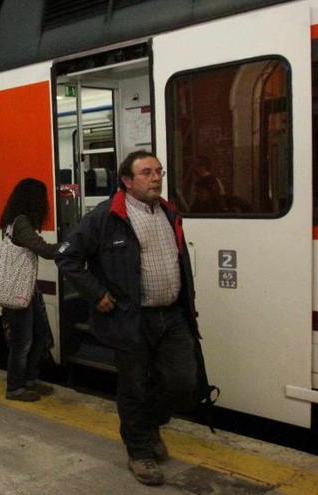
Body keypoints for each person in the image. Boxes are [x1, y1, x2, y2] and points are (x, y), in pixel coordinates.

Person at [55, 150, 199, 486]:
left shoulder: (168, 212)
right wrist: (97, 293)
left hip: (172, 315)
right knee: (133, 386)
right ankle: (139, 453)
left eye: (159, 171)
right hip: (131, 319)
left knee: (184, 382)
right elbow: (67, 256)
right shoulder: (106, 217)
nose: (156, 178)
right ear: (127, 181)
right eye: (147, 172)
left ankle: (148, 425)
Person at [0, 179, 59, 402]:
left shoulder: (17, 221)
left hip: (27, 288)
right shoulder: (21, 222)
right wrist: (69, 246)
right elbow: (42, 249)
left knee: (40, 334)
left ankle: (31, 380)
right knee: (22, 341)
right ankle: (15, 387)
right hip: (18, 290)